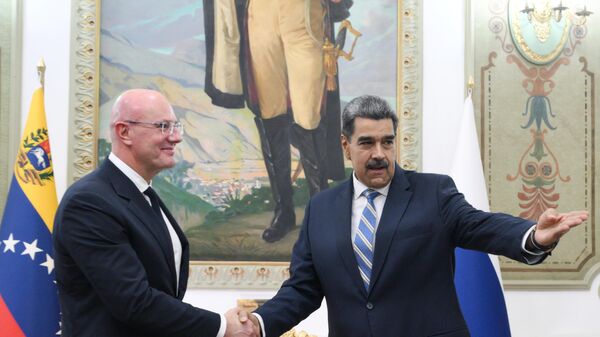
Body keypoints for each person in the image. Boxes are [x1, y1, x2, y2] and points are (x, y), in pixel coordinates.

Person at [242, 95, 588, 336]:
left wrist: (532, 236)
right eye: (367, 143)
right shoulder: (321, 207)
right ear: (345, 146)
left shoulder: (433, 194)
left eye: (387, 142)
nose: (380, 154)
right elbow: (303, 288)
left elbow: (480, 225)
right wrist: (260, 322)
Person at [53, 89, 257, 337]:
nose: (176, 137)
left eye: (175, 126)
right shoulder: (89, 203)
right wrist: (222, 327)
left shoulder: (141, 194)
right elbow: (134, 301)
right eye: (163, 126)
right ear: (124, 132)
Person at [203, 0, 353, 242]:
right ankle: (283, 211)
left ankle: (320, 211)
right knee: (270, 115)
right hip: (259, 16)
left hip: (303, 14)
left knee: (309, 117)